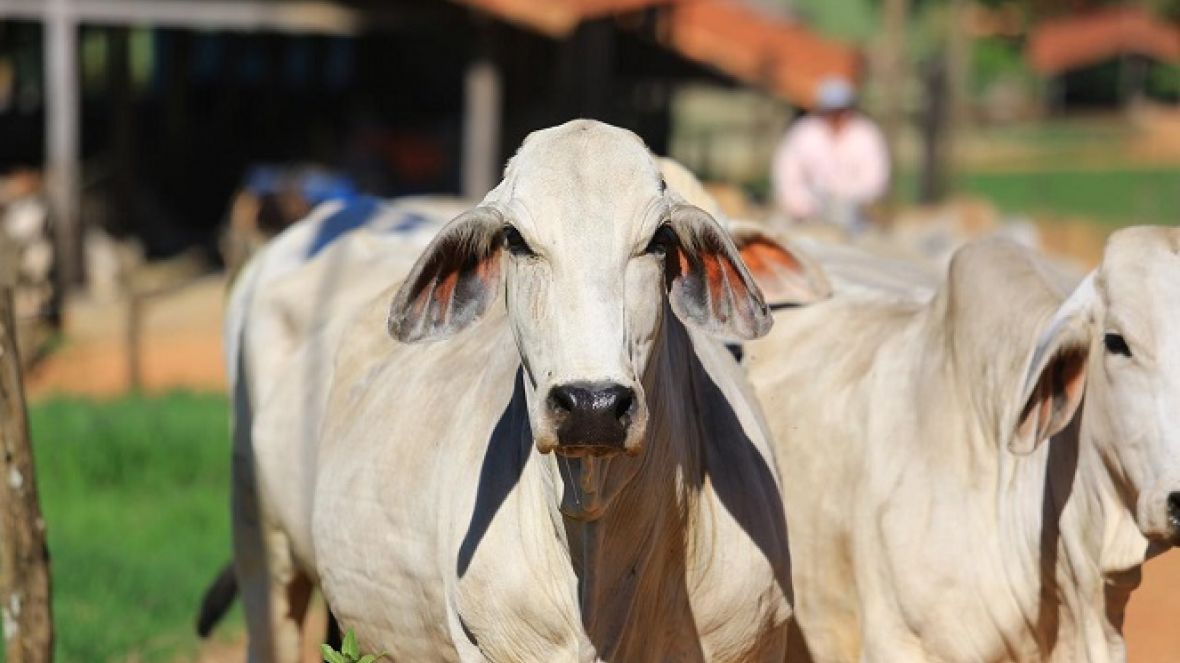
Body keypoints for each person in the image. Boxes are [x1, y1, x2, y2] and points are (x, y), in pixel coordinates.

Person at [772, 76, 890, 233]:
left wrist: (849, 201)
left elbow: (875, 180)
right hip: (808, 217)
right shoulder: (804, 133)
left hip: (855, 219)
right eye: (831, 110)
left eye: (840, 110)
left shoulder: (865, 134)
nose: (836, 117)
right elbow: (787, 175)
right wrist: (801, 204)